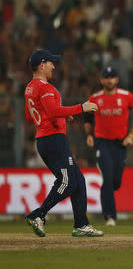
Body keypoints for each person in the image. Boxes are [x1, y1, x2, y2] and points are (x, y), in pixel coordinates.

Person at [24, 49, 103, 237]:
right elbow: (51, 112)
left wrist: (62, 117)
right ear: (42, 65)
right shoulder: (45, 87)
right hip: (53, 139)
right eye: (51, 62)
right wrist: (80, 108)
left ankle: (81, 225)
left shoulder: (29, 87)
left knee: (78, 181)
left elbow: (30, 116)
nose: (54, 66)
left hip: (44, 139)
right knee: (67, 182)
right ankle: (38, 214)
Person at [84, 66, 133, 227]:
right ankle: (109, 216)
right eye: (106, 77)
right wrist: (89, 135)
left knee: (116, 181)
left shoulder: (126, 96)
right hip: (102, 143)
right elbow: (87, 120)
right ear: (101, 80)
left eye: (112, 77)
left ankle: (109, 213)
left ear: (116, 80)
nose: (109, 80)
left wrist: (131, 135)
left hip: (120, 143)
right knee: (108, 178)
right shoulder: (95, 98)